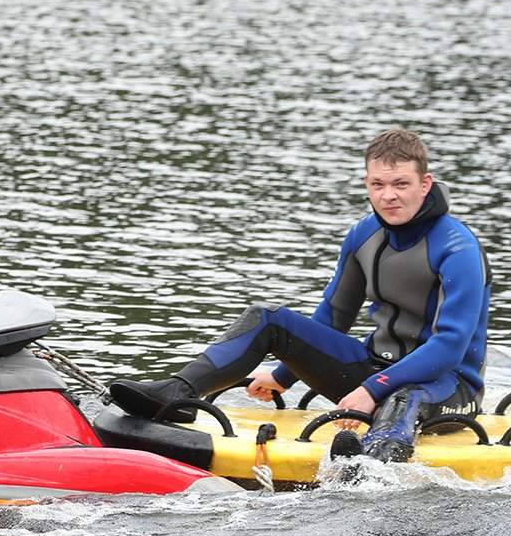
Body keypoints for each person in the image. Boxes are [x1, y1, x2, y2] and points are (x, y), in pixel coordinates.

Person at [108, 129, 490, 465]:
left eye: (401, 184)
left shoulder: (458, 248)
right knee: (268, 318)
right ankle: (176, 393)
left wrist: (373, 390)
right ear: (366, 183)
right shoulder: (364, 236)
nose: (388, 196)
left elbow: (450, 346)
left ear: (425, 184)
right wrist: (282, 376)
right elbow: (333, 318)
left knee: (404, 400)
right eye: (378, 185)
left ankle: (366, 473)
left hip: (448, 385)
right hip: (375, 372)